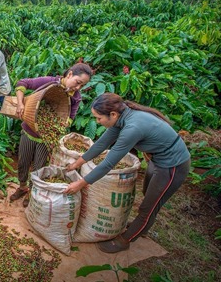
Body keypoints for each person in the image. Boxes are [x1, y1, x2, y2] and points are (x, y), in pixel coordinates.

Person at [63, 93, 190, 254]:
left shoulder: (132, 128)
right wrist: (77, 163)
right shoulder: (121, 117)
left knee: (148, 208)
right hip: (157, 161)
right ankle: (142, 225)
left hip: (173, 166)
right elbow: (101, 144)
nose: (97, 122)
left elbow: (108, 163)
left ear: (113, 115)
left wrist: (80, 184)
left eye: (99, 118)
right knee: (147, 195)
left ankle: (125, 240)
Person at [9, 63, 93, 207]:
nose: (78, 88)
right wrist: (20, 104)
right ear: (70, 74)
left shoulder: (75, 97)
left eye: (82, 86)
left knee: (39, 167)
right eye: (78, 83)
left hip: (46, 140)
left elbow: (71, 116)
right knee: (23, 162)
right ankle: (22, 187)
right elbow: (22, 83)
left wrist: (61, 123)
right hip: (28, 132)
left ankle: (31, 191)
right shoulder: (50, 82)